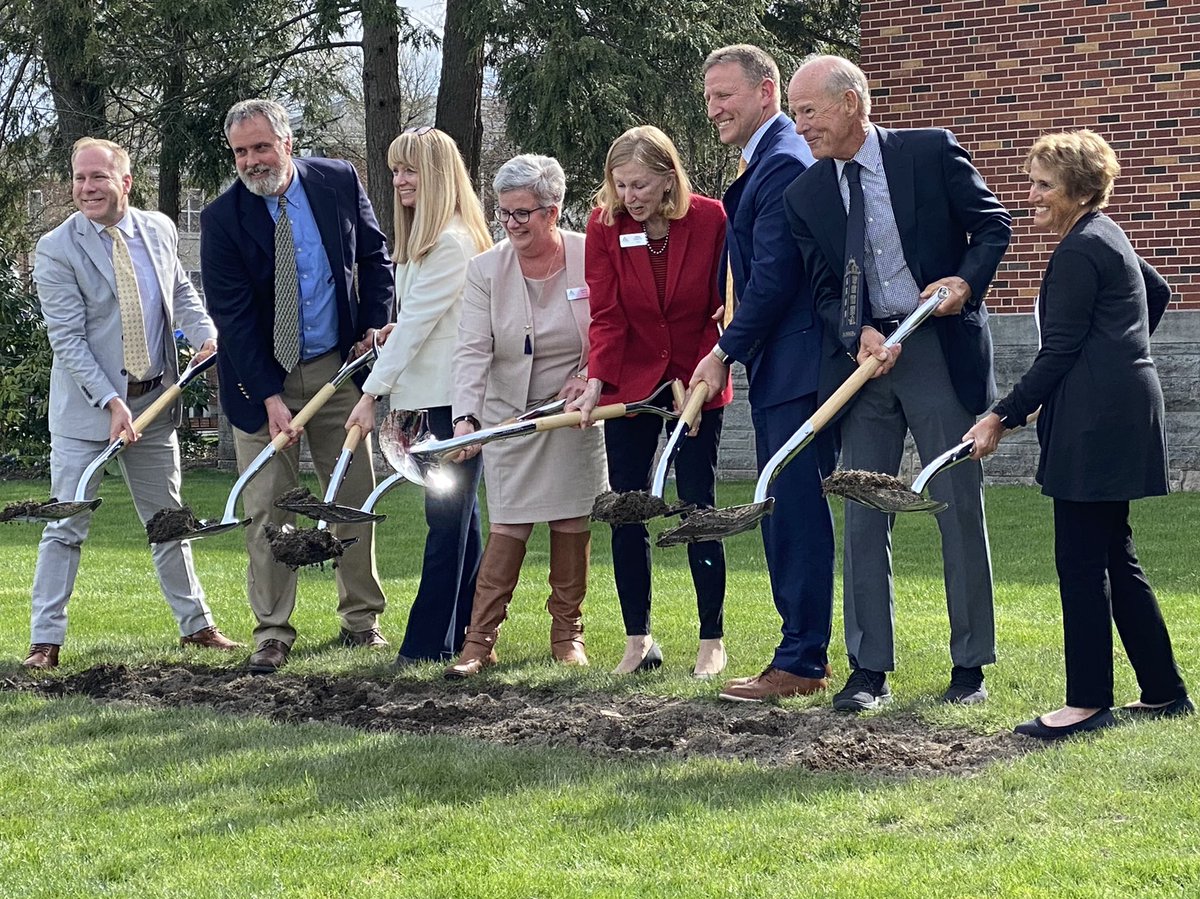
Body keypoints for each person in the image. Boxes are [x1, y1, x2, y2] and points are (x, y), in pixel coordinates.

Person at [783, 55, 1011, 711]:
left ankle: (969, 667)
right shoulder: (807, 195)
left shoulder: (929, 152)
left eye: (809, 111)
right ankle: (868, 670)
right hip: (866, 365)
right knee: (863, 509)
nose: (801, 128)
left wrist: (965, 281)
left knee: (956, 505)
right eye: (796, 114)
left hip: (938, 346)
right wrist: (854, 333)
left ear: (851, 102)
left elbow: (992, 224)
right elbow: (824, 290)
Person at [965, 130, 1192, 738]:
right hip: (1118, 408)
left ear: (1080, 190)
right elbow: (1159, 293)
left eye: (1044, 185)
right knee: (1114, 553)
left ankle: (1087, 702)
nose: (1031, 195)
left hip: (1095, 421)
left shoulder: (1077, 251)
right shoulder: (1106, 234)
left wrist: (1000, 415)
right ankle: (1165, 692)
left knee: (1081, 561)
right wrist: (1118, 353)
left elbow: (1059, 351)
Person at [23, 137, 240, 669]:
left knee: (169, 519)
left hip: (154, 404)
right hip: (87, 413)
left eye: (98, 177)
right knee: (65, 524)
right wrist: (110, 402)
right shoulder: (57, 247)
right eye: (79, 178)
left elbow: (182, 292)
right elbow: (68, 340)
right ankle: (44, 642)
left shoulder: (160, 229)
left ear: (126, 181)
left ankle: (197, 627)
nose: (86, 188)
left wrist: (205, 333)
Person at [201, 99, 393, 674]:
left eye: (261, 147)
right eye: (240, 152)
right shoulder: (222, 218)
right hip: (261, 379)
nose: (252, 161)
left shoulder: (336, 180)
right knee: (266, 509)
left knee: (351, 497)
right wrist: (268, 397)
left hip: (338, 369)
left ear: (287, 142)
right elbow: (231, 318)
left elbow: (374, 255)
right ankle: (272, 632)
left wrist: (372, 329)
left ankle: (362, 622)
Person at [686, 44, 835, 701]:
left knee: (794, 509)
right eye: (710, 96)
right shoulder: (766, 160)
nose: (715, 107)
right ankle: (798, 653)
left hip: (799, 364)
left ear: (766, 92)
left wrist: (722, 352)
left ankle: (801, 661)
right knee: (782, 506)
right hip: (782, 360)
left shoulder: (781, 162)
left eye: (726, 95)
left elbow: (778, 279)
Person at [570, 126, 732, 677]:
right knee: (628, 509)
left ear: (668, 179)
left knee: (697, 506)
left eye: (639, 185)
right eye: (620, 186)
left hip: (697, 379)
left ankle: (712, 640)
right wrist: (597, 380)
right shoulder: (603, 226)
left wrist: (720, 352)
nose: (628, 197)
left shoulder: (711, 219)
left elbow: (723, 303)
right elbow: (607, 313)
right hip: (632, 385)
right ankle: (638, 640)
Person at [442, 154, 606, 677]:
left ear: (552, 212)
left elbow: (610, 324)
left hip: (572, 411)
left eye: (523, 214)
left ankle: (567, 635)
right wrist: (466, 417)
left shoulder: (589, 255)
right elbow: (472, 349)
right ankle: (479, 641)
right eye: (504, 213)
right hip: (507, 414)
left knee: (570, 517)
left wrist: (591, 372)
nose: (511, 224)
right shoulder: (485, 268)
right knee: (508, 523)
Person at [345, 127, 493, 666]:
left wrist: (370, 395)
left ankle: (428, 642)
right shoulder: (425, 245)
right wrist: (391, 330)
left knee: (447, 523)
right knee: (460, 522)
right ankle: (464, 634)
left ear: (437, 176)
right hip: (432, 399)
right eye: (395, 171)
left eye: (410, 170)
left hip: (452, 404)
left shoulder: (452, 243)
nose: (400, 181)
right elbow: (413, 324)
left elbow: (418, 328)